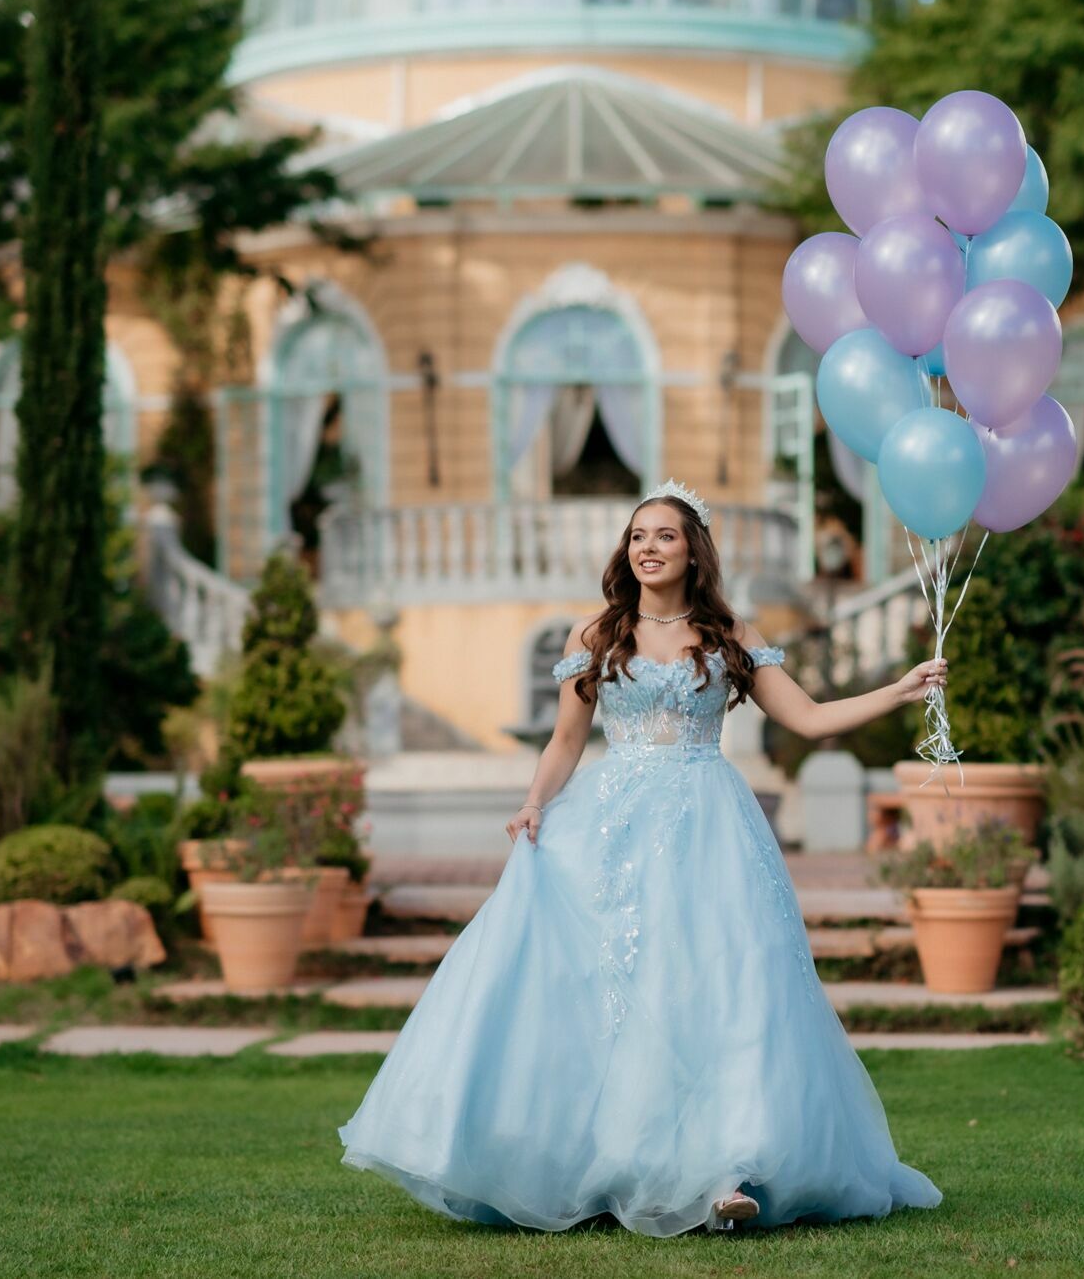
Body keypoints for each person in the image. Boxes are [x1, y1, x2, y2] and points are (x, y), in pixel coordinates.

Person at [337, 478, 948, 1236]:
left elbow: (810, 718)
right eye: (637, 536)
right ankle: (607, 1160)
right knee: (614, 992)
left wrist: (900, 689)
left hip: (711, 828)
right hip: (613, 824)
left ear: (693, 551)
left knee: (725, 984)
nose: (648, 547)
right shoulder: (594, 636)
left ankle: (729, 1169)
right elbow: (564, 743)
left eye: (664, 535)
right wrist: (534, 803)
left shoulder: (730, 634)